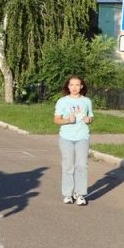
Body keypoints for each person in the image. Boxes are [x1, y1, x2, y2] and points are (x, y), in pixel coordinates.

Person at [54, 75, 94, 206]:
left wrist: (89, 120)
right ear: (68, 87)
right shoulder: (62, 101)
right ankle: (67, 194)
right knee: (68, 166)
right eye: (72, 85)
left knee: (82, 166)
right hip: (66, 138)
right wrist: (67, 120)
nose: (74, 88)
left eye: (77, 85)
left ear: (81, 86)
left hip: (82, 137)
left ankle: (80, 194)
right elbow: (56, 120)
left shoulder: (87, 101)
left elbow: (90, 117)